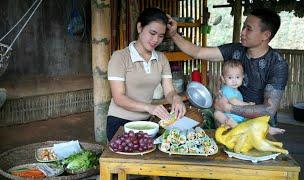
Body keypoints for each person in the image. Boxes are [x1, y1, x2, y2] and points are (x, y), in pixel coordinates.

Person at [167, 8, 288, 135]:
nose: (242, 32)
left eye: (249, 28)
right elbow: (198, 52)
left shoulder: (277, 65)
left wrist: (228, 107)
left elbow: (269, 110)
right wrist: (174, 34)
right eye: (243, 27)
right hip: (227, 115)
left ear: (266, 35)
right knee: (194, 118)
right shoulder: (236, 50)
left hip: (258, 122)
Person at [107, 8, 186, 141]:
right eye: (152, 33)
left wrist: (176, 99)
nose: (156, 40)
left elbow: (169, 92)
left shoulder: (161, 59)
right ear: (139, 27)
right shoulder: (120, 57)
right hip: (120, 123)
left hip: (147, 123)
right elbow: (118, 98)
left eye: (161, 36)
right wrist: (148, 107)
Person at [214, 59, 255, 127]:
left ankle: (270, 129)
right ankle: (230, 124)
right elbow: (234, 101)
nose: (234, 81)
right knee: (217, 113)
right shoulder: (227, 89)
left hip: (239, 117)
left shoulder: (237, 92)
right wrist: (248, 104)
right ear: (223, 79)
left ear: (242, 77)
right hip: (230, 117)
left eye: (237, 77)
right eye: (230, 77)